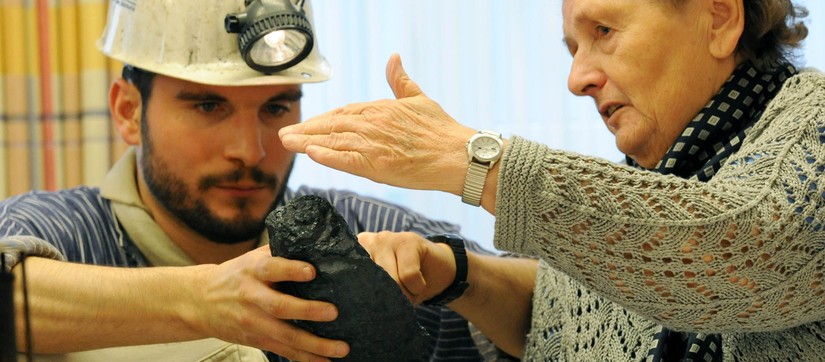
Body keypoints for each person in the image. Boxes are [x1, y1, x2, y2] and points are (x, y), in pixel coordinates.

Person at [279, 0, 825, 360]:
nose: (577, 79)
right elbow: (567, 314)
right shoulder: (641, 189)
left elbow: (739, 257)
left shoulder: (813, 125)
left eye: (603, 32)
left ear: (720, 17)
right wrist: (452, 271)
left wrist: (472, 162)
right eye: (572, 49)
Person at [0, 1, 513, 361]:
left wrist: (455, 271)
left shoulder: (359, 230)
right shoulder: (64, 231)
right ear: (129, 112)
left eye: (275, 108)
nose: (251, 150)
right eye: (208, 106)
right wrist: (201, 301)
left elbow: (565, 306)